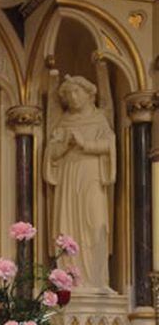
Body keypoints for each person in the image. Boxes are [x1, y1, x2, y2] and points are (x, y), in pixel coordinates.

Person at [43, 74, 116, 291]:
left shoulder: (99, 119)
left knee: (95, 222)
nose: (73, 97)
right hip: (68, 178)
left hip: (92, 176)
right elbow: (51, 153)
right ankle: (69, 279)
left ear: (88, 94)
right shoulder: (63, 122)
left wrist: (85, 144)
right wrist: (65, 146)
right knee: (68, 224)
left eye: (77, 92)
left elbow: (110, 145)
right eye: (68, 94)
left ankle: (97, 280)